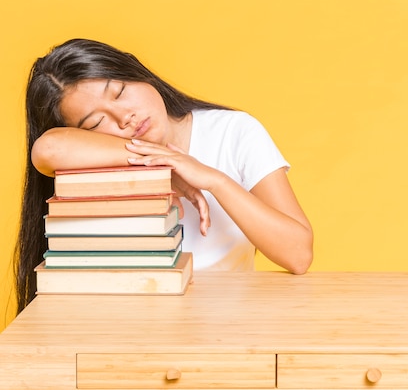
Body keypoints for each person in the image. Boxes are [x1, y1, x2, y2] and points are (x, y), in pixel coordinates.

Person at [14, 38, 313, 313]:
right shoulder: (93, 158)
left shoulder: (233, 132)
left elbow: (298, 255)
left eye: (119, 92)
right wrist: (161, 168)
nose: (124, 117)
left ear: (138, 73)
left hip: (228, 325)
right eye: (96, 123)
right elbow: (48, 147)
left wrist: (214, 180)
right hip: (127, 327)